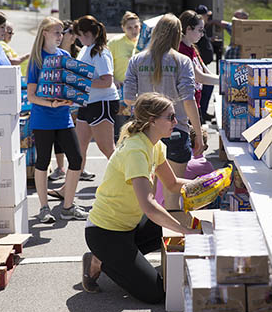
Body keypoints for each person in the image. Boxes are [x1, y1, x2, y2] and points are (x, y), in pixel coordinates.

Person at [83, 92, 199, 301]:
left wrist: (206, 185)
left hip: (130, 227)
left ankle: (116, 258)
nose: (176, 121)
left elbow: (172, 184)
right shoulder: (136, 150)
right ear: (152, 120)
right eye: (170, 117)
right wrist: (183, 231)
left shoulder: (155, 145)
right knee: (155, 294)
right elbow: (149, 205)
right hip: (104, 233)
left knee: (168, 221)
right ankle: (100, 259)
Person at [124, 13, 204, 211]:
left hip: (146, 133)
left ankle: (147, 240)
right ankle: (171, 239)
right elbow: (188, 100)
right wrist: (199, 134)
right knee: (172, 196)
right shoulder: (183, 61)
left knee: (146, 199)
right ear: (178, 35)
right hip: (176, 131)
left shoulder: (136, 60)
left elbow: (128, 98)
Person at [26, 16, 87, 223]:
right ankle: (44, 208)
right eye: (56, 32)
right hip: (43, 118)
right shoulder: (36, 59)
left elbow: (70, 87)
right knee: (43, 162)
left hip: (63, 117)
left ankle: (68, 206)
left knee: (76, 160)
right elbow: (32, 96)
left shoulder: (64, 55)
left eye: (62, 32)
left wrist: (73, 98)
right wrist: (50, 104)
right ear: (44, 33)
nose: (61, 36)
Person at [71, 15, 119, 183]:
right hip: (87, 102)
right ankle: (69, 187)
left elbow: (107, 81)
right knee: (79, 146)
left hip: (102, 103)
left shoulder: (100, 52)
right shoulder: (86, 48)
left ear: (91, 33)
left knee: (107, 148)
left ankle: (130, 181)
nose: (78, 38)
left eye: (80, 34)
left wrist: (81, 81)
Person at [49, 20, 89, 181]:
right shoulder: (53, 52)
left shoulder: (79, 52)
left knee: (78, 136)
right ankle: (60, 168)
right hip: (58, 99)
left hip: (75, 100)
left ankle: (80, 168)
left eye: (75, 32)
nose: (74, 36)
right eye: (71, 32)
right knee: (58, 135)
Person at [154, 126, 213, 206]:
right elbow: (214, 182)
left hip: (157, 203)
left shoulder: (165, 159)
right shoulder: (202, 164)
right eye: (205, 147)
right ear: (198, 145)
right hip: (173, 205)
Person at [178, 10, 219, 124]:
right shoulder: (181, 50)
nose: (202, 34)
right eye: (200, 30)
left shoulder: (193, 48)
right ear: (188, 29)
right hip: (185, 108)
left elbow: (206, 72)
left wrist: (226, 79)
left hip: (195, 104)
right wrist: (226, 81)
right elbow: (199, 77)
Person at [108, 11, 141, 143]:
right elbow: (106, 64)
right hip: (120, 91)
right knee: (121, 130)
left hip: (139, 92)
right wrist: (113, 79)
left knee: (138, 129)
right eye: (129, 27)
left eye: (136, 27)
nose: (134, 30)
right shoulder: (115, 42)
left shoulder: (143, 43)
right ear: (123, 28)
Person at [194, 5, 216, 123]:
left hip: (203, 65)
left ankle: (202, 113)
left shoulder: (200, 30)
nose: (202, 34)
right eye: (206, 15)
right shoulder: (187, 48)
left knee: (208, 86)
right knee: (205, 86)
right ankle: (200, 114)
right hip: (199, 67)